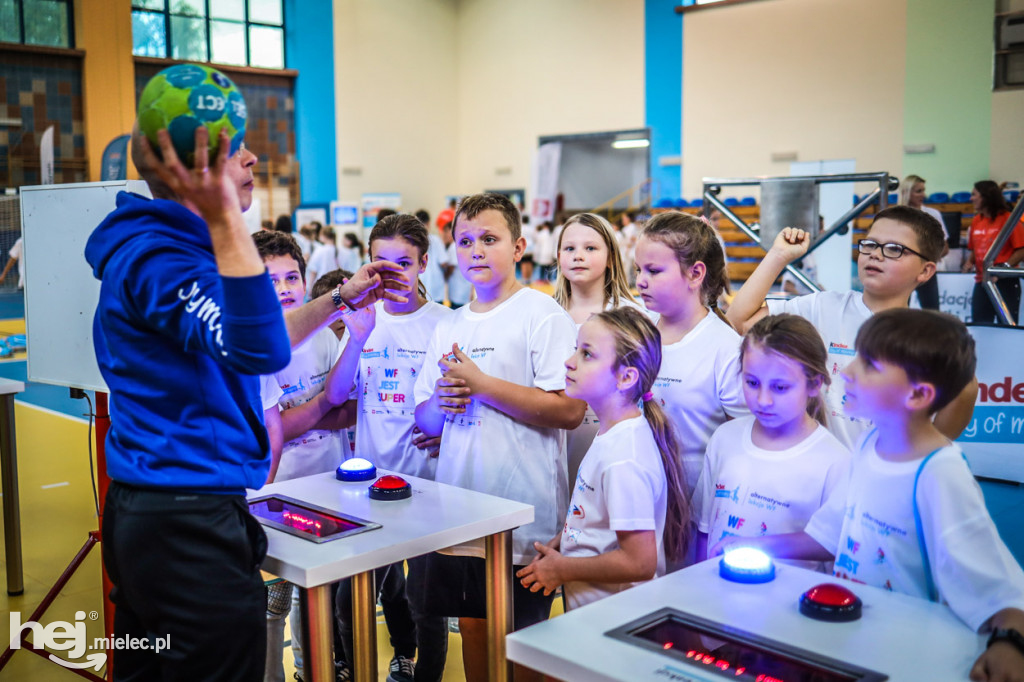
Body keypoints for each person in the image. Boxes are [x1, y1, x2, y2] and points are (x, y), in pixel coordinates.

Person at [86, 119, 408, 682]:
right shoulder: (167, 260)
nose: (254, 159)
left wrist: (338, 298)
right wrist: (227, 218)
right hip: (185, 517)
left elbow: (260, 337)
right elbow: (258, 343)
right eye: (236, 152)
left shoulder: (161, 249)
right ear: (197, 174)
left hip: (169, 509)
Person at [711, 310, 1024, 682]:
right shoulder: (870, 446)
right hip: (860, 645)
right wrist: (747, 545)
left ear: (919, 394)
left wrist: (1010, 643)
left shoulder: (940, 473)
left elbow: (999, 582)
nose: (847, 371)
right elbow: (827, 536)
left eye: (870, 364)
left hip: (918, 660)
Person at [413, 193, 585, 682]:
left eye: (490, 239)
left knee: (523, 647)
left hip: (523, 519)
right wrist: (440, 404)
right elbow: (424, 422)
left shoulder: (542, 314)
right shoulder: (449, 323)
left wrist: (483, 385)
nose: (476, 251)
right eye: (465, 241)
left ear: (518, 247)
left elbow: (569, 411)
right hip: (461, 517)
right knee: (474, 638)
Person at [727, 205, 975, 450]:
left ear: (925, 270)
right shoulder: (823, 306)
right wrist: (778, 256)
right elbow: (739, 322)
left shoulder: (927, 340)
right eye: (870, 244)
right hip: (817, 472)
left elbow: (966, 390)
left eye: (894, 249)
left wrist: (917, 455)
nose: (875, 254)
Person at [323, 213, 452, 682]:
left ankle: (423, 674)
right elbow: (337, 396)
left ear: (422, 265)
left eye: (404, 262)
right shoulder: (362, 319)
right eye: (381, 261)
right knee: (348, 601)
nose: (392, 272)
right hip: (369, 489)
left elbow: (462, 400)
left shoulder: (446, 323)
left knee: (426, 605)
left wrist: (445, 429)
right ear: (367, 264)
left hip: (428, 490)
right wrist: (355, 339)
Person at [516, 307, 689, 610]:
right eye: (575, 350)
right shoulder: (615, 434)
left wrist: (562, 569)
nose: (569, 363)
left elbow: (639, 563)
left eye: (587, 354)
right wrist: (569, 538)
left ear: (625, 377)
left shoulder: (625, 458)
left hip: (615, 619)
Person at [254, 231, 357, 682]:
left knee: (315, 593)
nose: (283, 288)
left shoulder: (324, 338)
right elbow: (269, 431)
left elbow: (348, 405)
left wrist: (299, 417)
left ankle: (308, 671)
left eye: (291, 277)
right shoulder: (255, 350)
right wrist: (315, 413)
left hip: (331, 485)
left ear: (305, 277)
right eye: (269, 279)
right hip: (277, 492)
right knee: (274, 596)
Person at [693, 314, 849, 569]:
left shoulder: (836, 463)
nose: (763, 400)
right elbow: (703, 530)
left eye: (779, 387)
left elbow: (835, 544)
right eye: (752, 383)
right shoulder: (725, 438)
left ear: (814, 384)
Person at [635, 211, 748, 502]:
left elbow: (744, 445)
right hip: (638, 497)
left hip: (695, 509)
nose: (640, 282)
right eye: (638, 270)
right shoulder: (637, 330)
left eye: (654, 271)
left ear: (695, 274)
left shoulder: (725, 348)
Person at [553, 212, 645, 485]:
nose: (578, 255)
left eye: (590, 248)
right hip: (556, 442)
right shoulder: (545, 314)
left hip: (613, 445)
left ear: (610, 257)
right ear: (558, 256)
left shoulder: (631, 316)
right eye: (569, 248)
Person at [963, 180, 1024, 325]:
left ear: (986, 196)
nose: (971, 198)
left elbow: (1021, 249)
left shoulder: (1008, 219)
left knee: (1007, 325)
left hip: (1004, 282)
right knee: (980, 325)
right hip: (982, 281)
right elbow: (976, 248)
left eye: (974, 194)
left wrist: (1003, 268)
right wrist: (969, 262)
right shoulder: (977, 220)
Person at [900, 175, 949, 310]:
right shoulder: (896, 215)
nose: (923, 195)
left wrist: (926, 261)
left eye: (923, 190)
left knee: (932, 312)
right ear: (907, 192)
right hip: (902, 270)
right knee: (900, 312)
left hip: (925, 270)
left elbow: (944, 248)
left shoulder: (933, 214)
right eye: (918, 191)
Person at [415, 208, 450, 304]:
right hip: (436, 287)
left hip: (420, 286)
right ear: (429, 223)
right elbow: (444, 262)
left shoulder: (413, 241)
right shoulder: (436, 240)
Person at [442, 220, 472, 308]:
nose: (444, 235)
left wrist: (444, 277)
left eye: (446, 232)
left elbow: (451, 267)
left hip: (458, 290)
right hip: (463, 288)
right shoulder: (463, 244)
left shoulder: (453, 246)